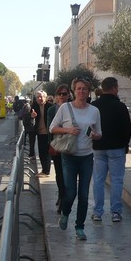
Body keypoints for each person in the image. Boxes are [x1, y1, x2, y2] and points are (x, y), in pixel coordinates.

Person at [49, 77, 102, 241]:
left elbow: (100, 133)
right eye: (78, 89)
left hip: (86, 157)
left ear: (88, 92)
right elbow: (52, 128)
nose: (81, 91)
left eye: (84, 89)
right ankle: (65, 213)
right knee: (70, 192)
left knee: (84, 195)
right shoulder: (65, 108)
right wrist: (68, 130)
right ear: (74, 91)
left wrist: (95, 135)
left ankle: (80, 227)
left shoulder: (94, 111)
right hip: (69, 156)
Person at [90, 77, 131, 222]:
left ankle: (97, 212)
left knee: (98, 180)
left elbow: (90, 127)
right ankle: (116, 212)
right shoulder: (120, 107)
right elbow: (127, 128)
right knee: (117, 180)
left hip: (98, 147)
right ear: (114, 88)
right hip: (116, 148)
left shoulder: (94, 106)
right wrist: (125, 144)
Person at [47, 84, 70, 214]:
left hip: (69, 145)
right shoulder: (51, 110)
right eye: (60, 94)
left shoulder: (73, 108)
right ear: (56, 96)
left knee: (68, 174)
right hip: (56, 144)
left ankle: (65, 197)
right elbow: (50, 127)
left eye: (64, 94)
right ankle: (61, 196)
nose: (62, 96)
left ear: (69, 95)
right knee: (59, 173)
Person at [32, 90, 53, 177]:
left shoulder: (50, 107)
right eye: (37, 97)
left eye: (41, 96)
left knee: (47, 153)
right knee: (41, 153)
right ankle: (44, 170)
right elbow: (30, 116)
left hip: (49, 133)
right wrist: (32, 116)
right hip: (40, 133)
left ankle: (46, 171)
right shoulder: (35, 106)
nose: (39, 98)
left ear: (45, 97)